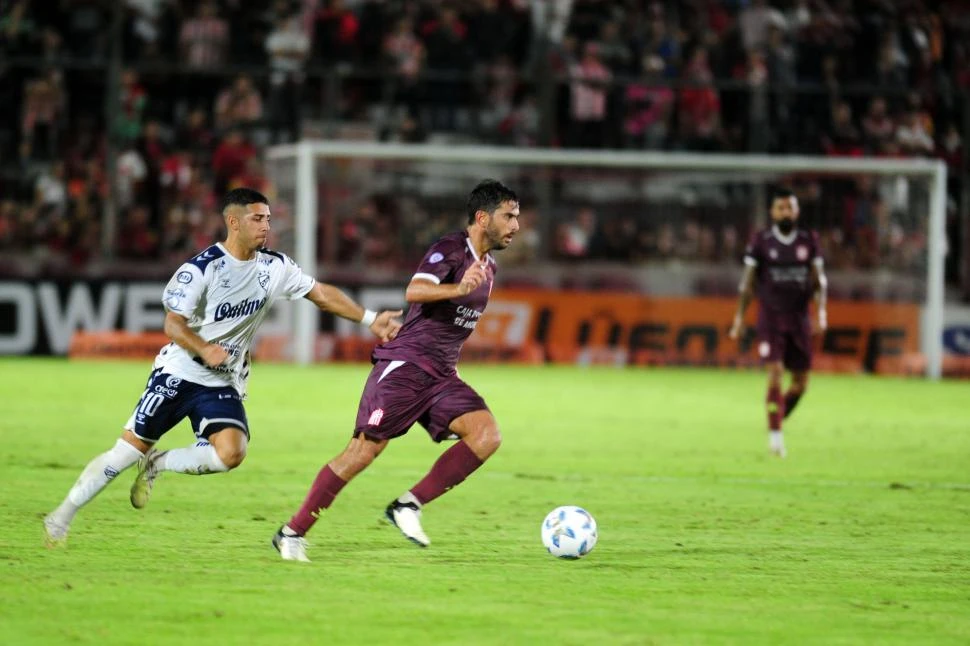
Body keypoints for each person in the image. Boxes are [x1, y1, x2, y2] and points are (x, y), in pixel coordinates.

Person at [44, 188, 402, 545]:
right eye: (257, 218)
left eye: (268, 219)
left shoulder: (274, 266)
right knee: (124, 454)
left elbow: (320, 293)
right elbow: (172, 325)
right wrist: (203, 348)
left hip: (221, 381)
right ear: (233, 222)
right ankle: (61, 517)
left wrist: (370, 319)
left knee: (231, 453)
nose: (266, 226)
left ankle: (159, 463)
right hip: (179, 372)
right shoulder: (201, 269)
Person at [273, 179, 520, 562]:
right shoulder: (451, 250)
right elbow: (415, 291)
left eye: (517, 217)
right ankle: (293, 532)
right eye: (509, 216)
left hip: (441, 376)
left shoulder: (489, 266)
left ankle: (408, 505)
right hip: (406, 367)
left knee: (486, 434)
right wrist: (456, 289)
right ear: (483, 217)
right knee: (362, 452)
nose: (515, 225)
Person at [728, 188, 828, 458]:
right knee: (774, 375)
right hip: (771, 319)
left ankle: (776, 418)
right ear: (772, 212)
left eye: (790, 208)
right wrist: (739, 318)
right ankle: (775, 438)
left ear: (797, 211)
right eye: (781, 208)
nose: (786, 212)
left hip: (799, 320)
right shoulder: (762, 241)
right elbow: (747, 283)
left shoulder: (809, 240)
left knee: (801, 383)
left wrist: (821, 313)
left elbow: (819, 281)